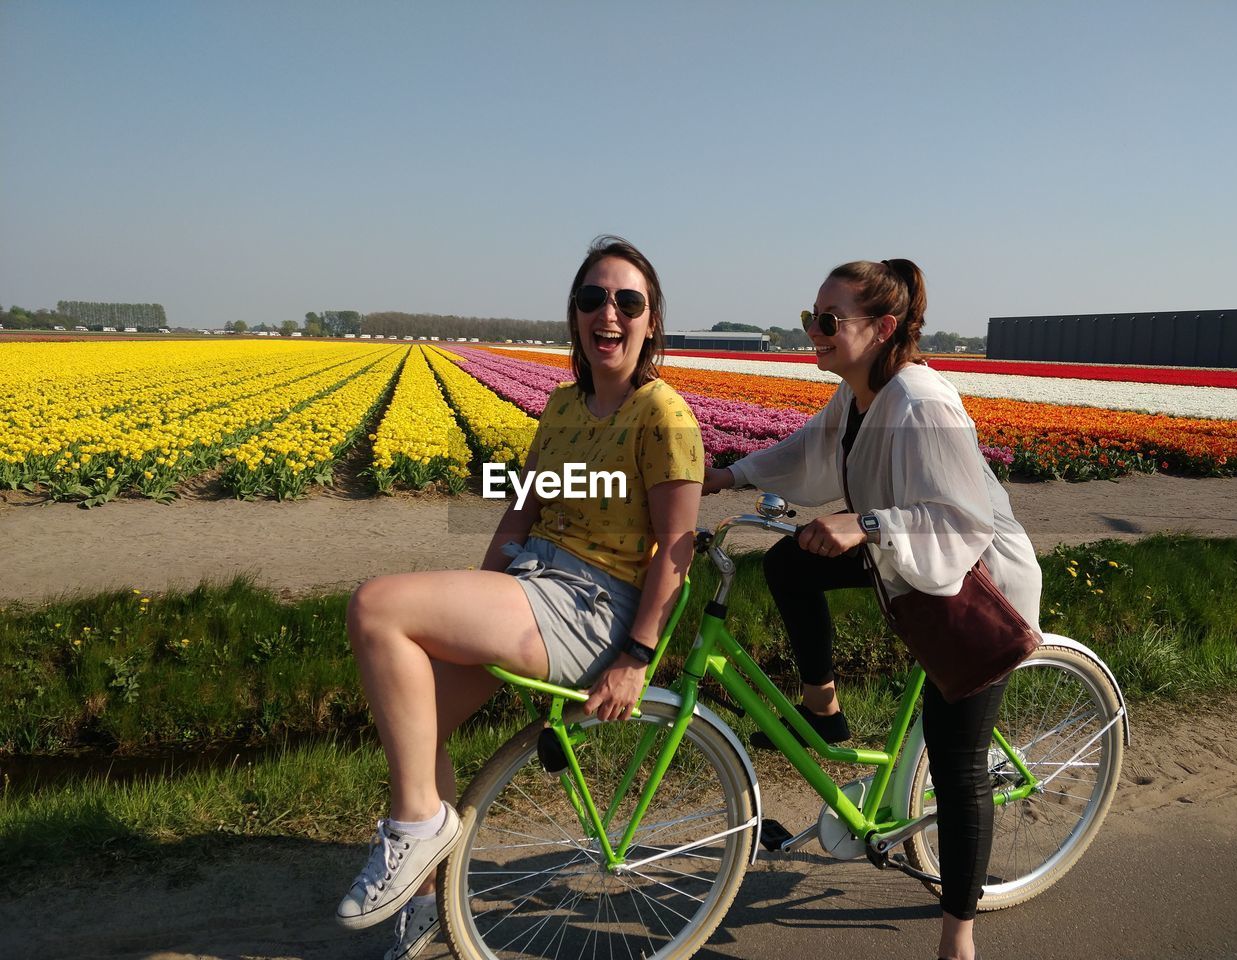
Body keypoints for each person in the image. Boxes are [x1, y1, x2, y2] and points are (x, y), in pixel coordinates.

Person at [337, 236, 704, 960]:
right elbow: (520, 512)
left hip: (595, 605)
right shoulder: (564, 406)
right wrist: (483, 589)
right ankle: (427, 909)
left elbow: (677, 551)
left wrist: (635, 659)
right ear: (573, 316)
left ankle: (419, 828)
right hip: (533, 582)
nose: (609, 313)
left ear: (652, 320)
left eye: (628, 301)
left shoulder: (666, 417)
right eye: (592, 298)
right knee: (418, 731)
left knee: (375, 606)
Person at [704, 258, 1041, 960]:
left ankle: (958, 936)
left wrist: (864, 524)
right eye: (811, 318)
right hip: (910, 554)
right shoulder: (860, 397)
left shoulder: (922, 402)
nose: (814, 332)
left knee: (957, 763)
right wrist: (729, 474)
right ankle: (824, 708)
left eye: (829, 322)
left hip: (979, 583)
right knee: (789, 561)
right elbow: (812, 451)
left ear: (884, 328)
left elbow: (962, 518)